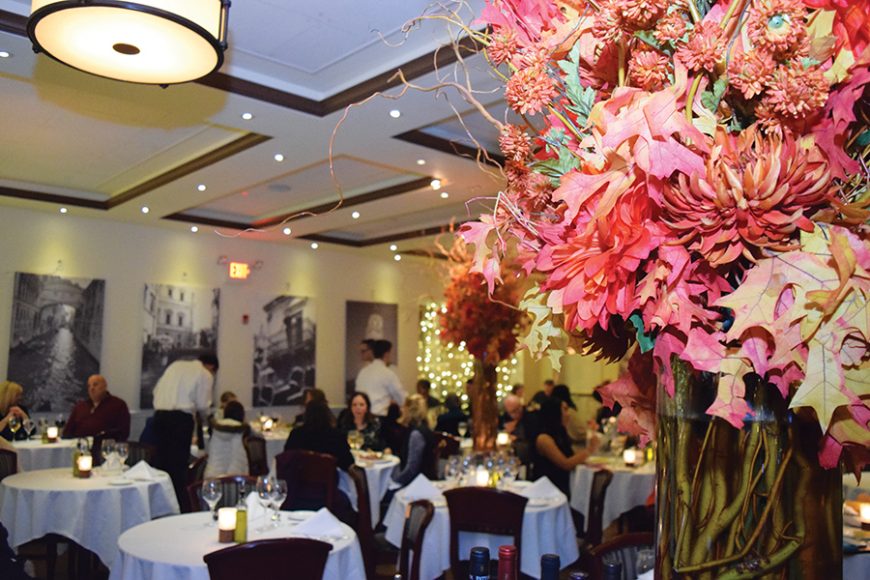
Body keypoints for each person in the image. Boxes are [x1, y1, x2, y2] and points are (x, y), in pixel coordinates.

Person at [151, 354, 219, 504]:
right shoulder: (204, 373)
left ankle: (159, 503)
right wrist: (209, 417)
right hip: (180, 421)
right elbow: (203, 405)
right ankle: (179, 504)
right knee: (178, 466)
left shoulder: (175, 366)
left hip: (159, 417)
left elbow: (156, 391)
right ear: (212, 367)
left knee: (161, 464)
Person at [533, 398, 599, 496]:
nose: (568, 414)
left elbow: (571, 455)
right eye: (565, 409)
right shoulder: (544, 439)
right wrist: (589, 449)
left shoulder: (560, 433)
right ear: (554, 413)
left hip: (564, 483)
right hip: (550, 489)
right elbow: (565, 464)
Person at [283, 399, 353, 470]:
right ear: (327, 414)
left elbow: (287, 458)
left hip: (301, 478)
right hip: (329, 478)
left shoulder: (296, 434)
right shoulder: (337, 436)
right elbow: (347, 462)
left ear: (306, 414)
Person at [62, 375, 131, 441]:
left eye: (95, 385)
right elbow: (67, 432)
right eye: (89, 386)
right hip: (79, 446)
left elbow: (123, 432)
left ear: (104, 386)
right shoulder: (80, 407)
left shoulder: (118, 405)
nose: (92, 388)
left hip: (104, 448)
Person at [391, 394, 435, 486]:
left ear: (409, 410)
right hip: (424, 481)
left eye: (404, 407)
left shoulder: (416, 435)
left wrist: (394, 482)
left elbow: (411, 470)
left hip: (418, 485)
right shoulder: (425, 428)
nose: (401, 410)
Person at [355, 339, 406, 417]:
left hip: (362, 416)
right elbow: (402, 398)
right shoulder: (388, 373)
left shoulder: (363, 372)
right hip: (379, 417)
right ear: (386, 354)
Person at [204, 401, 249, 478]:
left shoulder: (215, 430)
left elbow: (208, 452)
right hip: (234, 480)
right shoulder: (242, 433)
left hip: (211, 477)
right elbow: (239, 461)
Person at [501, 394, 535, 465]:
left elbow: (533, 442)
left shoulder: (531, 417)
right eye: (513, 411)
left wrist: (517, 438)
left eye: (519, 408)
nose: (518, 412)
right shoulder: (504, 419)